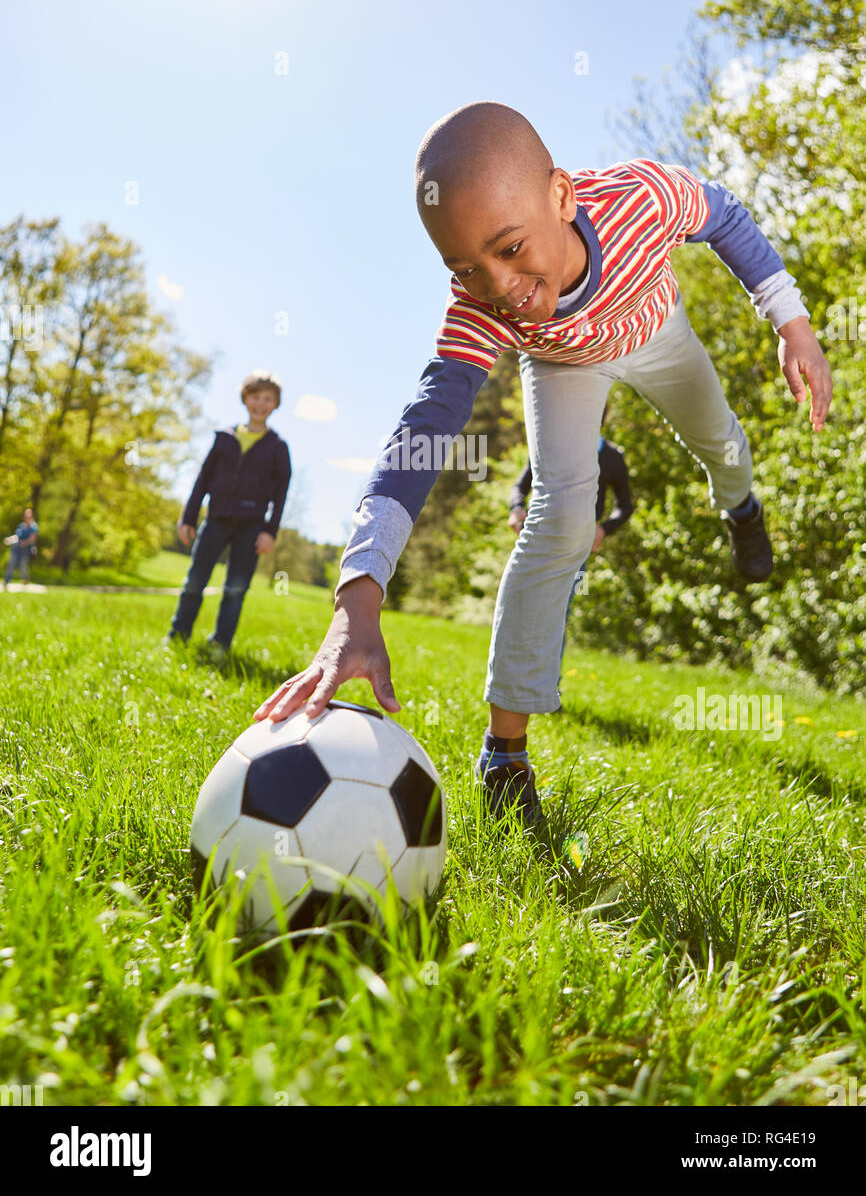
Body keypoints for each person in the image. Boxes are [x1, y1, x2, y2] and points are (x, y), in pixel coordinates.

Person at [254, 102, 832, 827]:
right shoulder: (480, 304)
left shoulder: (639, 199)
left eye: (510, 247)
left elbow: (724, 215)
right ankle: (505, 754)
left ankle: (741, 510)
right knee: (559, 518)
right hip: (562, 366)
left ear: (561, 197)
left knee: (723, 442)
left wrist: (793, 325)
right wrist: (357, 594)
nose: (497, 286)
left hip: (656, 331)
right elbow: (427, 426)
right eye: (466, 266)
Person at [508, 403, 634, 707]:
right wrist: (515, 508)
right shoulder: (550, 445)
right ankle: (511, 688)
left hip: (576, 547)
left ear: (601, 416)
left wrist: (604, 528)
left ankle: (547, 690)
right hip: (537, 537)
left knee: (556, 614)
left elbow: (626, 505)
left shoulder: (613, 458)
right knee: (521, 608)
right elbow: (519, 486)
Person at [166, 370, 291, 660]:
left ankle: (220, 645)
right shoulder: (224, 438)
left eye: (268, 399)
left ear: (275, 404)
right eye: (256, 397)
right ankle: (178, 636)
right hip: (216, 520)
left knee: (235, 589)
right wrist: (188, 518)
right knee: (194, 582)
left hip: (251, 525)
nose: (261, 404)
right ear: (245, 398)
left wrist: (269, 532)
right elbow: (203, 479)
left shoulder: (278, 447)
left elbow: (281, 494)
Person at [3, 507, 39, 587]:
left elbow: (32, 539)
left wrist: (24, 543)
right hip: (16, 548)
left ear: (31, 517)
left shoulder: (34, 527)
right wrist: (10, 539)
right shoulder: (21, 526)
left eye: (28, 517)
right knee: (11, 563)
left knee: (23, 565)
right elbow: (17, 536)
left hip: (26, 549)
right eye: (25, 516)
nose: (27, 518)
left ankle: (25, 580)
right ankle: (6, 581)